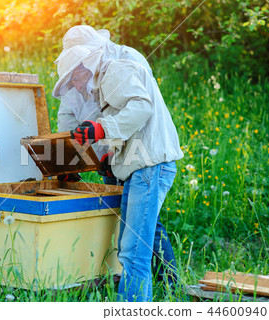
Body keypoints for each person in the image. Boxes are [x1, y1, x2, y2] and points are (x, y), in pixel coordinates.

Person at [53, 26, 183, 301]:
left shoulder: (116, 68)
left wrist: (101, 131)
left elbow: (141, 108)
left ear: (87, 62)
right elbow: (80, 121)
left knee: (133, 249)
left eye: (76, 77)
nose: (76, 85)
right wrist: (100, 155)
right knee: (134, 245)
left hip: (148, 164)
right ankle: (164, 293)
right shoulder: (102, 74)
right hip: (138, 162)